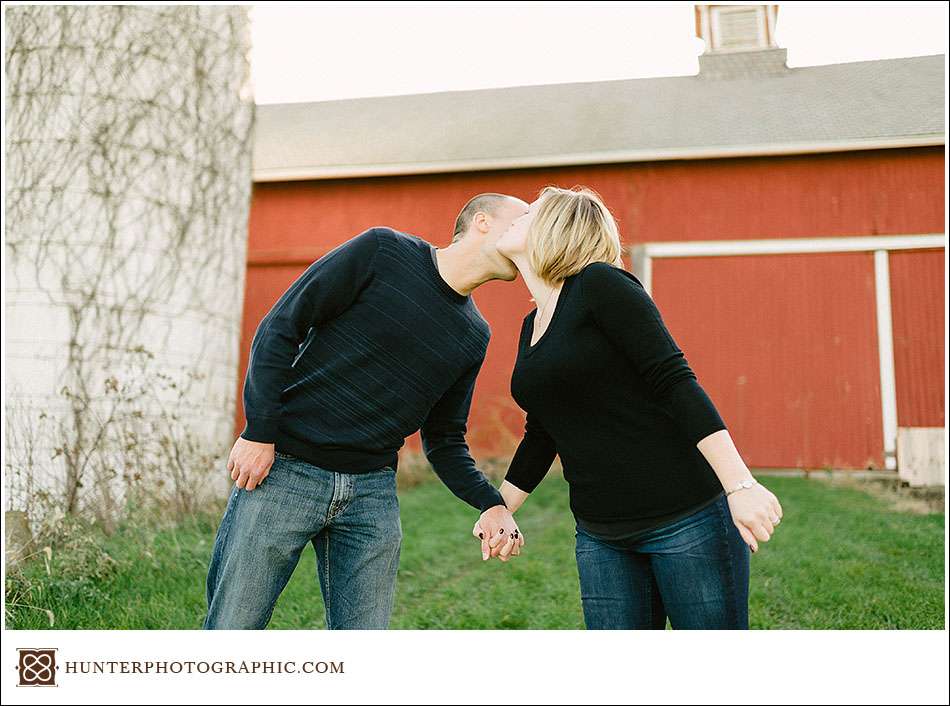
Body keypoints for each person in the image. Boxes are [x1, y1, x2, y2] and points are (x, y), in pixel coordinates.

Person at [203, 193, 530, 630]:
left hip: (371, 496)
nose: (531, 236)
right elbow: (281, 326)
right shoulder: (383, 251)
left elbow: (445, 439)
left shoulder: (474, 334)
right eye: (524, 220)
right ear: (483, 222)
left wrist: (491, 504)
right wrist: (260, 431)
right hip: (284, 471)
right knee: (233, 628)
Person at [475, 185, 784, 629]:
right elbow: (543, 431)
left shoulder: (601, 285)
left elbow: (673, 379)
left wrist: (740, 486)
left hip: (686, 520)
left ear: (556, 228)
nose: (517, 216)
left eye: (532, 211)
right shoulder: (532, 325)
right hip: (601, 536)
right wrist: (499, 507)